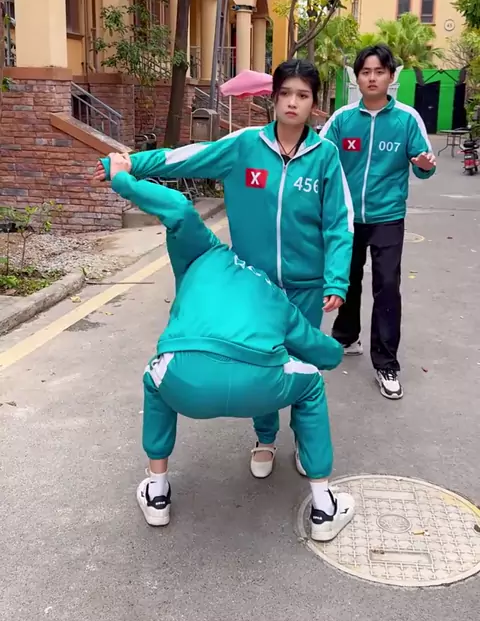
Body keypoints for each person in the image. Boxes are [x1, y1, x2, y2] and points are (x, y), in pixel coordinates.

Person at [94, 60, 354, 478]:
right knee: (261, 358)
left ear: (314, 103)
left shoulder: (325, 157)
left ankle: (306, 445)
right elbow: (185, 158)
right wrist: (129, 164)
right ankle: (265, 438)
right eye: (286, 93)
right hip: (252, 285)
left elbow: (339, 223)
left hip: (307, 285)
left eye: (303, 95)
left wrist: (336, 279)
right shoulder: (245, 145)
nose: (293, 102)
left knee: (302, 364)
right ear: (273, 99)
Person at [102, 151, 355, 542]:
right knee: (310, 382)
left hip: (185, 379)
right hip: (259, 385)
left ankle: (157, 491)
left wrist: (122, 179)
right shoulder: (275, 295)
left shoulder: (204, 251)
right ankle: (324, 507)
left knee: (154, 380)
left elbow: (177, 209)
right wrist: (336, 354)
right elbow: (321, 350)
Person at [320, 44, 436, 400]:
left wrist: (424, 166)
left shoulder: (407, 119)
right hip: (347, 216)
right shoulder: (342, 119)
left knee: (386, 285)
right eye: (365, 72)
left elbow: (423, 164)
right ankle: (346, 336)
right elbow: (320, 158)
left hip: (388, 216)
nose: (372, 78)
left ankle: (386, 362)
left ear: (391, 76)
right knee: (347, 278)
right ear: (357, 78)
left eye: (379, 72)